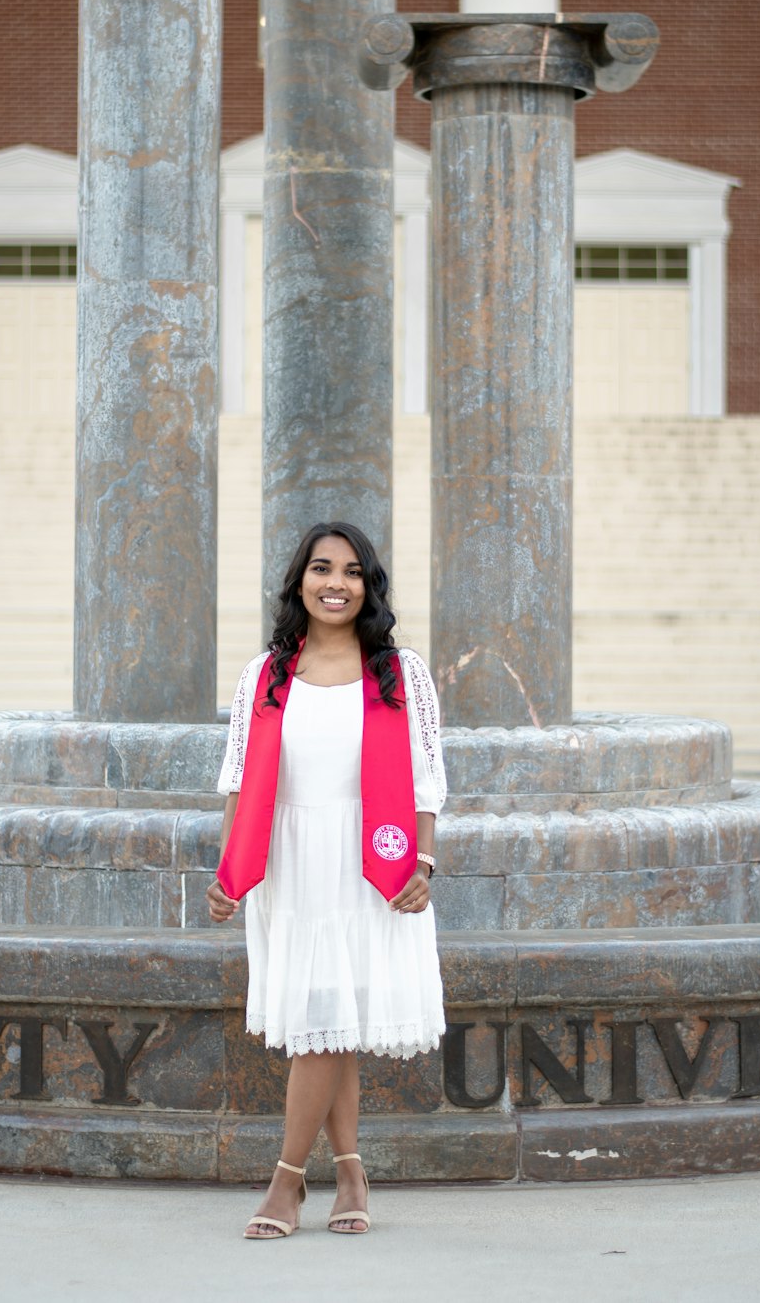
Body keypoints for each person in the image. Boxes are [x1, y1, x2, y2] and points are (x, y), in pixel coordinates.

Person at [206, 521, 446, 1239]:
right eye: (321, 568)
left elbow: (428, 778)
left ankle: (286, 1183)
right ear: (299, 581)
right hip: (293, 867)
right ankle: (350, 1171)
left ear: (369, 586)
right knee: (326, 1021)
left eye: (351, 571)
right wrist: (229, 873)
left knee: (324, 1027)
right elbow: (238, 782)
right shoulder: (267, 674)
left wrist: (425, 864)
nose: (335, 583)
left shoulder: (400, 673)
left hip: (371, 864)